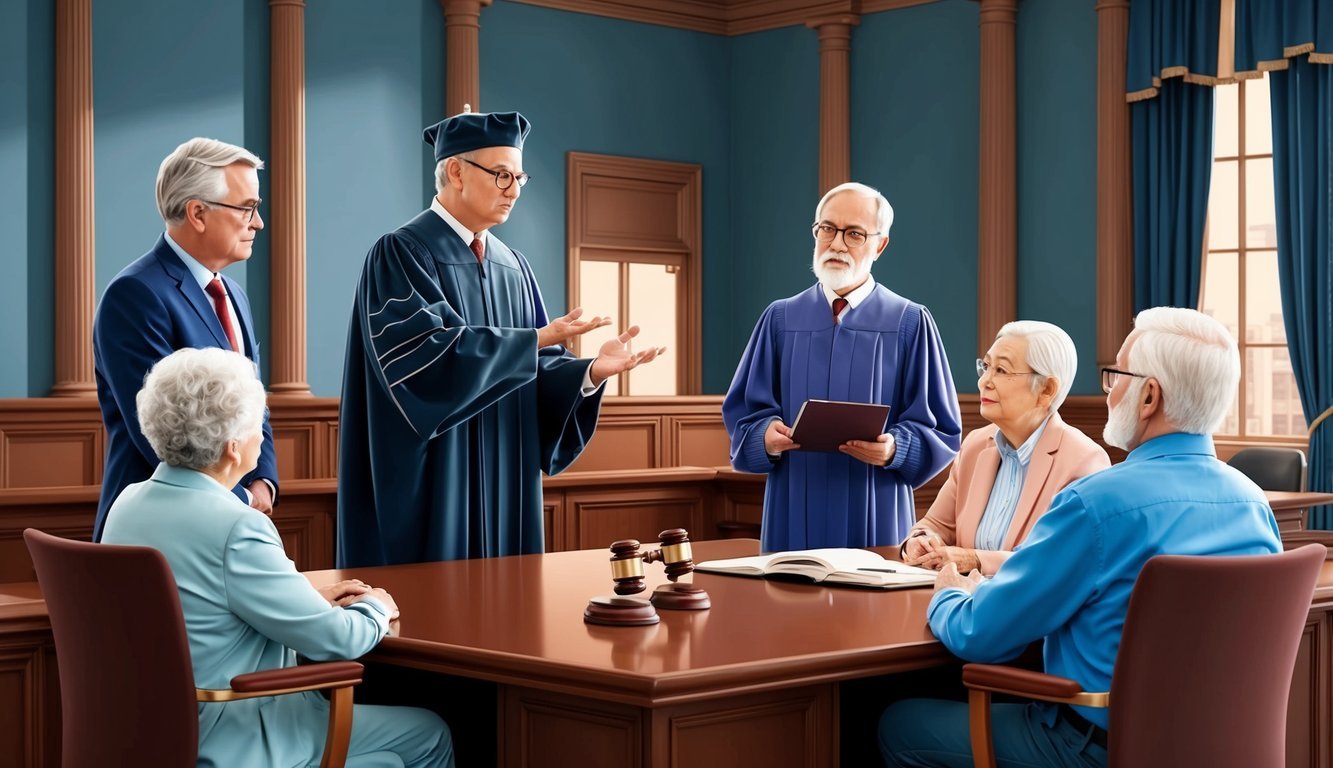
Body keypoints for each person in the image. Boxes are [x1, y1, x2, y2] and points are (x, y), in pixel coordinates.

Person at [878, 307, 1282, 768]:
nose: (1108, 394)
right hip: (1218, 749)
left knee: (897, 722)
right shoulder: (1253, 504)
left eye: (1115, 378)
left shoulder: (1096, 502)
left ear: (1149, 396)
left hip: (1091, 748)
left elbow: (981, 635)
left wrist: (948, 595)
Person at [338, 109, 663, 567]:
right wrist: (534, 339)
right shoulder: (400, 253)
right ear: (455, 172)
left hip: (507, 476)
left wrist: (589, 372)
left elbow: (539, 367)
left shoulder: (514, 266)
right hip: (433, 480)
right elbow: (424, 360)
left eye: (520, 178)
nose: (513, 190)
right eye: (502, 175)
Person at [101, 348, 454, 767]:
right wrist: (376, 605)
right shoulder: (237, 525)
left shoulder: (127, 504)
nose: (262, 437)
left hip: (152, 733)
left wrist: (305, 594)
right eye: (258, 427)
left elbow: (200, 599)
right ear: (233, 448)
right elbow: (337, 640)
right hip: (240, 735)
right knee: (430, 734)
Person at [722, 182, 962, 551]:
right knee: (790, 601)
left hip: (875, 503)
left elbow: (939, 426)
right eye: (828, 229)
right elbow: (746, 413)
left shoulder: (909, 322)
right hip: (793, 502)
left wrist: (896, 448)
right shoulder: (780, 319)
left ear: (879, 245)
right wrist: (765, 436)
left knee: (872, 605)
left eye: (854, 234)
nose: (836, 244)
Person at [92, 138, 277, 541]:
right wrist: (242, 499)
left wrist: (263, 480)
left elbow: (253, 403)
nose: (258, 222)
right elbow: (158, 432)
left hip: (226, 520)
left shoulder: (234, 295)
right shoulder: (135, 294)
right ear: (197, 213)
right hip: (157, 533)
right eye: (248, 207)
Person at [900, 321, 1110, 575]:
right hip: (961, 602)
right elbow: (935, 524)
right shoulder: (975, 446)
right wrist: (920, 540)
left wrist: (977, 560)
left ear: (1047, 389)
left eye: (1001, 370)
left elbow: (1060, 562)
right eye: (986, 367)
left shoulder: (1084, 461)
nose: (984, 382)